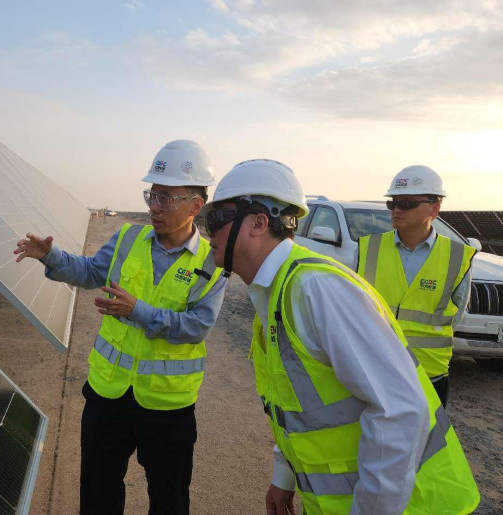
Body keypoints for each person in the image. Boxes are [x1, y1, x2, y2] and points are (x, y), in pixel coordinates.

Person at [202, 159, 479, 514]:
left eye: (215, 220)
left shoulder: (315, 289)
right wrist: (284, 477)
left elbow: (399, 411)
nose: (208, 232)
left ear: (258, 222)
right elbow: (300, 411)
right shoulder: (276, 294)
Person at [14, 140, 226, 515]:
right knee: (98, 490)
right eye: (152, 195)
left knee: (169, 498)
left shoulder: (212, 263)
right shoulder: (128, 238)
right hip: (107, 393)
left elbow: (196, 327)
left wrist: (136, 310)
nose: (155, 207)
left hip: (167, 404)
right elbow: (92, 272)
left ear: (196, 206)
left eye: (167, 199)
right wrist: (52, 257)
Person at [356, 166, 475, 408]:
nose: (397, 209)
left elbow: (456, 315)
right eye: (393, 202)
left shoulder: (457, 256)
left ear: (435, 207)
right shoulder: (369, 248)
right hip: (375, 369)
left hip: (429, 374)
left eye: (407, 202)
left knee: (425, 444)